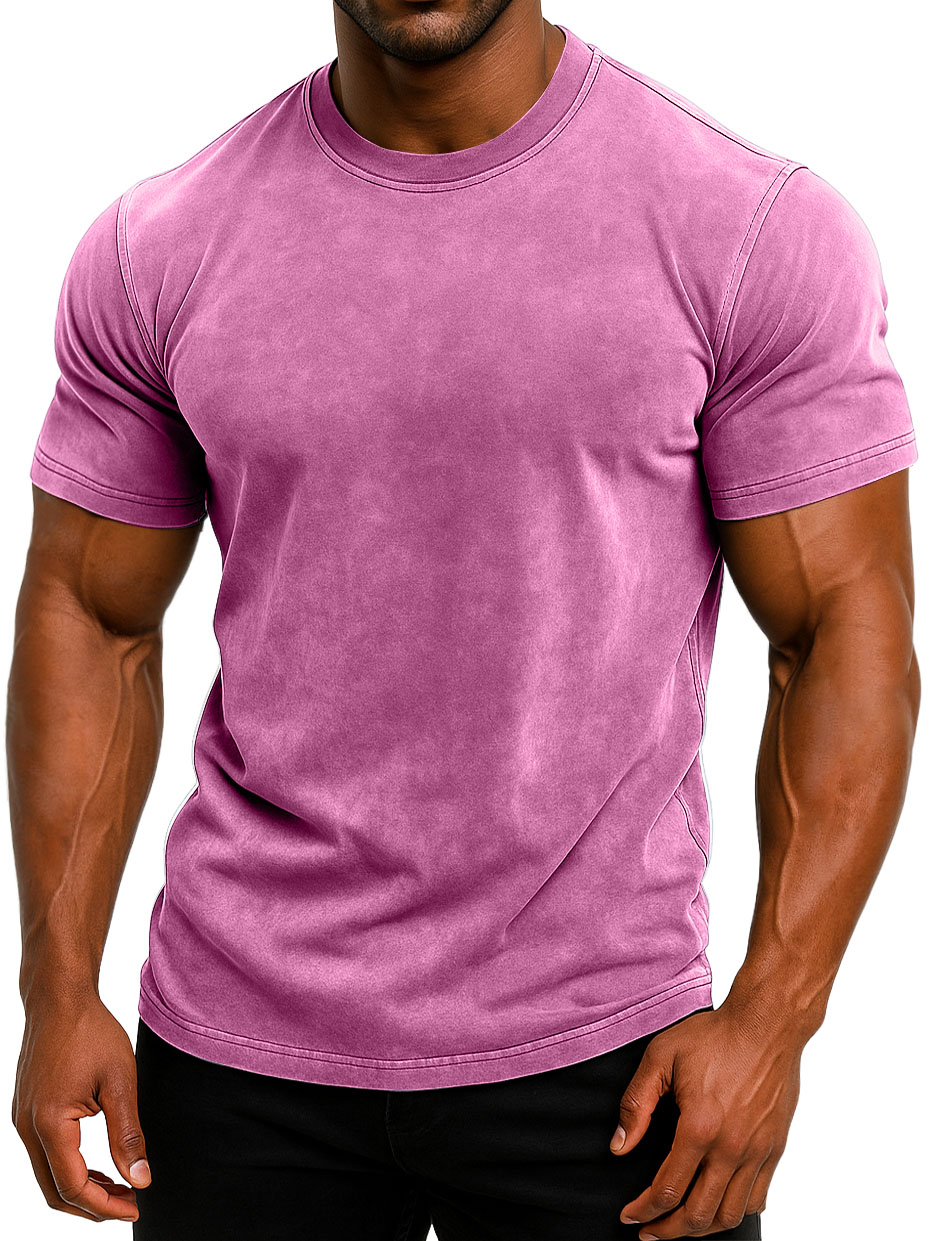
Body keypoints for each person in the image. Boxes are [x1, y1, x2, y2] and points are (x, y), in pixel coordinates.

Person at [9, 2, 920, 1238]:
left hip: (609, 1065)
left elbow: (842, 628)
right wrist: (57, 987)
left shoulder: (749, 227)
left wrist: (775, 1015)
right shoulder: (157, 247)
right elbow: (89, 613)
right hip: (236, 1055)